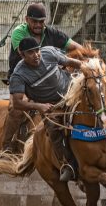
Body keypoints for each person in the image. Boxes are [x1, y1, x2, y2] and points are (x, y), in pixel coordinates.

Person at [2, 2, 83, 159]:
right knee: (16, 109)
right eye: (34, 21)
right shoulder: (19, 33)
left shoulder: (53, 34)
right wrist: (51, 56)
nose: (38, 25)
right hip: (25, 82)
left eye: (41, 21)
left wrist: (87, 60)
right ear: (26, 19)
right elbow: (30, 58)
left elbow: (76, 48)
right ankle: (5, 147)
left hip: (50, 79)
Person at [8, 37, 82, 182]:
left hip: (72, 91)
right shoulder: (18, 75)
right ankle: (66, 165)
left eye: (37, 50)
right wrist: (39, 106)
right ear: (22, 55)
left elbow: (71, 62)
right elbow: (17, 103)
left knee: (97, 101)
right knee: (54, 129)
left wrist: (87, 69)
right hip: (51, 106)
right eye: (30, 52)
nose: (36, 55)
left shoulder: (49, 53)